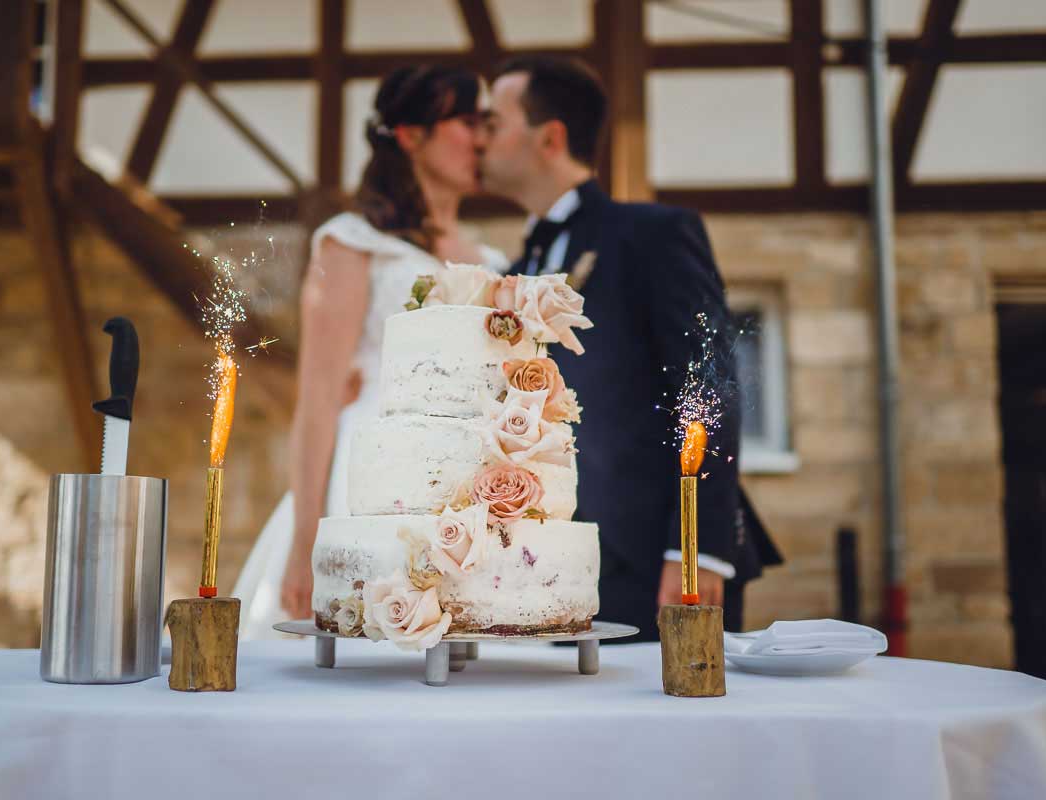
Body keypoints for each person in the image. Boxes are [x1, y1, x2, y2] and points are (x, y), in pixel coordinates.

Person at [478, 55, 782, 641]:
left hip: (650, 553)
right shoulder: (517, 269)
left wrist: (696, 546)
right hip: (550, 557)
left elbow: (708, 383)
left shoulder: (652, 234)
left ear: (550, 136)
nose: (482, 139)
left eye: (494, 123)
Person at [234, 65, 506, 636]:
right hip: (367, 480)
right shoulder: (352, 243)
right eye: (466, 121)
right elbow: (316, 401)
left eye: (487, 124)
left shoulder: (496, 261)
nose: (482, 139)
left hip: (466, 494)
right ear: (409, 134)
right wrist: (307, 539)